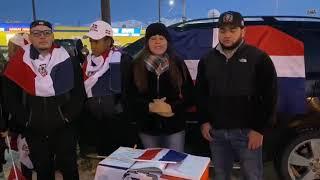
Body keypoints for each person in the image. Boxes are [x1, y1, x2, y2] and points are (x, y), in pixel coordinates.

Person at [195, 11, 277, 180]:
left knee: (252, 175)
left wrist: (258, 129)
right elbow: (201, 94)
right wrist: (203, 121)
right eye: (223, 30)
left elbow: (270, 96)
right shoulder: (207, 59)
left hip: (247, 133)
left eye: (232, 30)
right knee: (220, 175)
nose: (227, 35)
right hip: (217, 133)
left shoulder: (259, 58)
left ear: (243, 31)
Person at [2, 20, 85, 180]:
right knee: (43, 171)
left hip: (64, 128)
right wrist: (27, 121)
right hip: (35, 130)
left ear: (52, 36)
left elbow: (79, 95)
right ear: (30, 37)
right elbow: (10, 98)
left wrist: (67, 117)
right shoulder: (17, 63)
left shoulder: (68, 60)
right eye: (37, 33)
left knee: (69, 170)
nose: (42, 37)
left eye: (46, 33)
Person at [127, 23, 194, 152]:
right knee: (151, 168)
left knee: (174, 168)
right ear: (147, 42)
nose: (157, 42)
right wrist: (149, 107)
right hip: (147, 130)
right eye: (153, 38)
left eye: (161, 38)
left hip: (174, 129)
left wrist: (171, 107)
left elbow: (190, 96)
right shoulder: (135, 65)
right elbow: (128, 98)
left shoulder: (178, 63)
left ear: (167, 41)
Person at [82, 20, 132, 156]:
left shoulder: (122, 59)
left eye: (96, 41)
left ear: (108, 41)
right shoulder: (87, 62)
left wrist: (119, 109)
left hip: (118, 123)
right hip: (96, 123)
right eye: (91, 41)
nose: (92, 45)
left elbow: (129, 90)